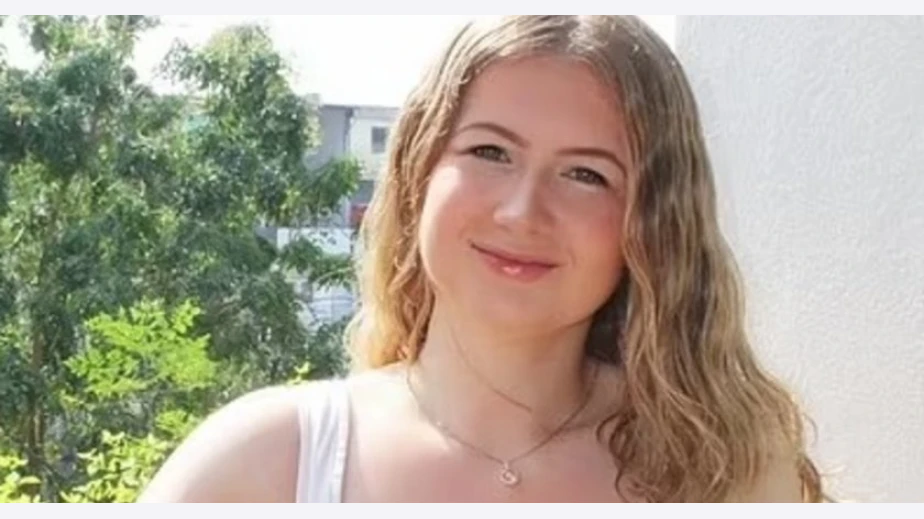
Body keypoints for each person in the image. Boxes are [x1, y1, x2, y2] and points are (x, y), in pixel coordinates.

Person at [139, 15, 825, 503]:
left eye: (586, 174)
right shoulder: (264, 466)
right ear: (417, 174)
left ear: (654, 223)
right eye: (490, 152)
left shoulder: (727, 474)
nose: (522, 211)